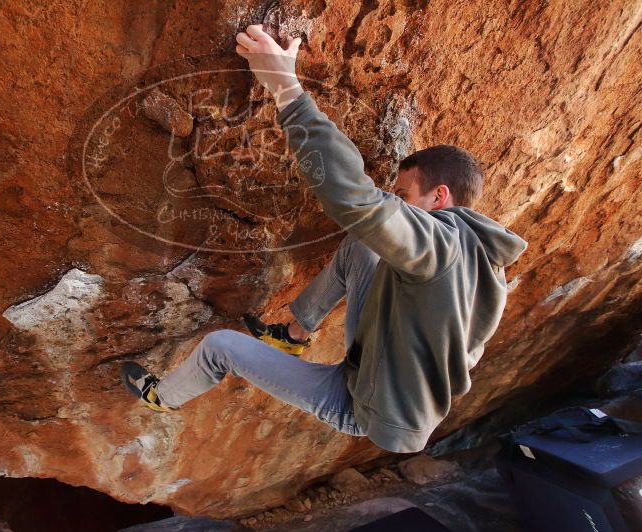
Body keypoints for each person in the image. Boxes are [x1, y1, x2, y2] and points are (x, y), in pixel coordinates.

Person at [120, 25, 528, 453]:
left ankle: (160, 397)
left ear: (440, 196)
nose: (397, 201)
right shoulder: (484, 259)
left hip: (364, 405)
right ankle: (294, 333)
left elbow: (357, 201)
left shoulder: (441, 247)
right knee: (363, 243)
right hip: (379, 367)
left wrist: (285, 87)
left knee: (220, 346)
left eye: (405, 195)